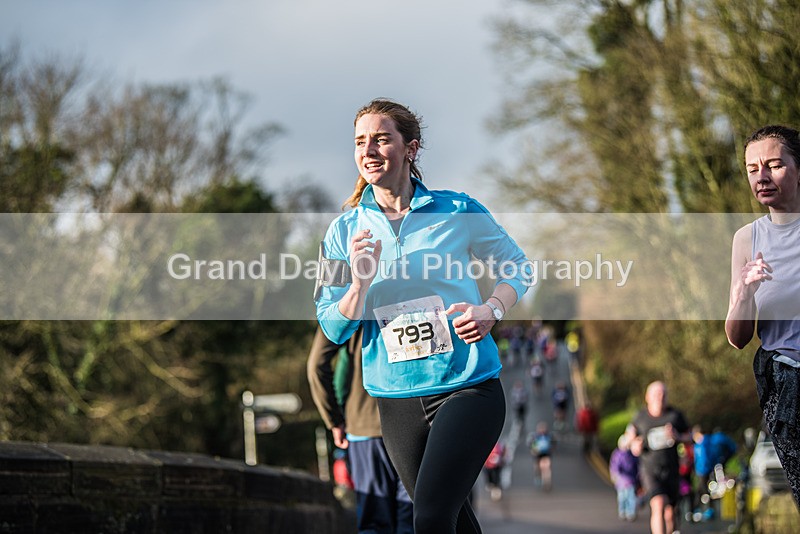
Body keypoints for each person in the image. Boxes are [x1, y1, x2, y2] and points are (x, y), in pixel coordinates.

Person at [315, 98, 532, 534]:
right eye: (360, 141)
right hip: (395, 398)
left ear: (410, 148)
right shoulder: (342, 232)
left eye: (381, 139)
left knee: (430, 518)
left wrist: (491, 309)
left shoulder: (456, 211)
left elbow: (518, 266)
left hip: (467, 386)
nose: (368, 150)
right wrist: (358, 284)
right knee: (449, 518)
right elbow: (331, 327)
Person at [724, 124, 800, 508]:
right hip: (787, 385)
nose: (762, 176)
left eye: (773, 165)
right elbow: (737, 337)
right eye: (752, 168)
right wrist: (744, 294)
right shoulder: (747, 239)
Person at [307, 326, 413, 534]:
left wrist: (334, 419)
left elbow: (317, 365)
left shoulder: (349, 301)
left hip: (365, 428)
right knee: (414, 519)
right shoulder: (417, 293)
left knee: (375, 522)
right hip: (418, 423)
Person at [630, 381, 691, 534]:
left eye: (663, 394)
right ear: (647, 397)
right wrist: (634, 445)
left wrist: (677, 436)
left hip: (671, 470)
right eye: (656, 394)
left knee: (670, 514)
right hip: (650, 470)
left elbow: (690, 436)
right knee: (658, 504)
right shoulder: (640, 417)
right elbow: (629, 438)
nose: (660, 398)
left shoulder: (675, 416)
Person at [609, 431, 639, 522]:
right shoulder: (618, 454)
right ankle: (623, 512)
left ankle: (630, 513)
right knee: (623, 498)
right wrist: (615, 475)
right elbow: (615, 466)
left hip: (630, 480)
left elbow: (637, 466)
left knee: (630, 497)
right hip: (622, 481)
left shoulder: (631, 454)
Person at [527, 421, 553, 491]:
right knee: (537, 467)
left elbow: (553, 444)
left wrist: (551, 450)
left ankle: (546, 482)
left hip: (545, 454)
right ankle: (538, 476)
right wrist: (533, 451)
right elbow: (530, 445)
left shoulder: (549, 436)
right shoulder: (535, 436)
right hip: (537, 455)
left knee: (546, 468)